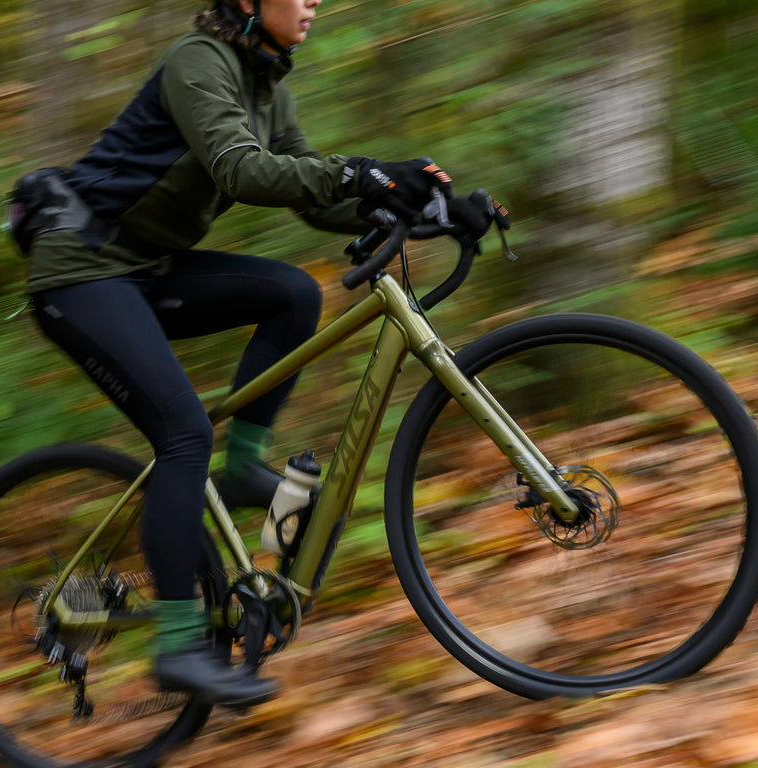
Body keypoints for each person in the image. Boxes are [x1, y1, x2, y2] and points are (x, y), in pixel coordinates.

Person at [25, 0, 454, 707]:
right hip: (81, 272)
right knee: (183, 433)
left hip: (147, 268)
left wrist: (431, 207)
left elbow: (315, 200)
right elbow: (239, 170)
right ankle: (177, 646)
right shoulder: (199, 61)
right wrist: (361, 174)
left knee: (290, 293)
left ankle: (245, 466)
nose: (313, 0)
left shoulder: (267, 83)